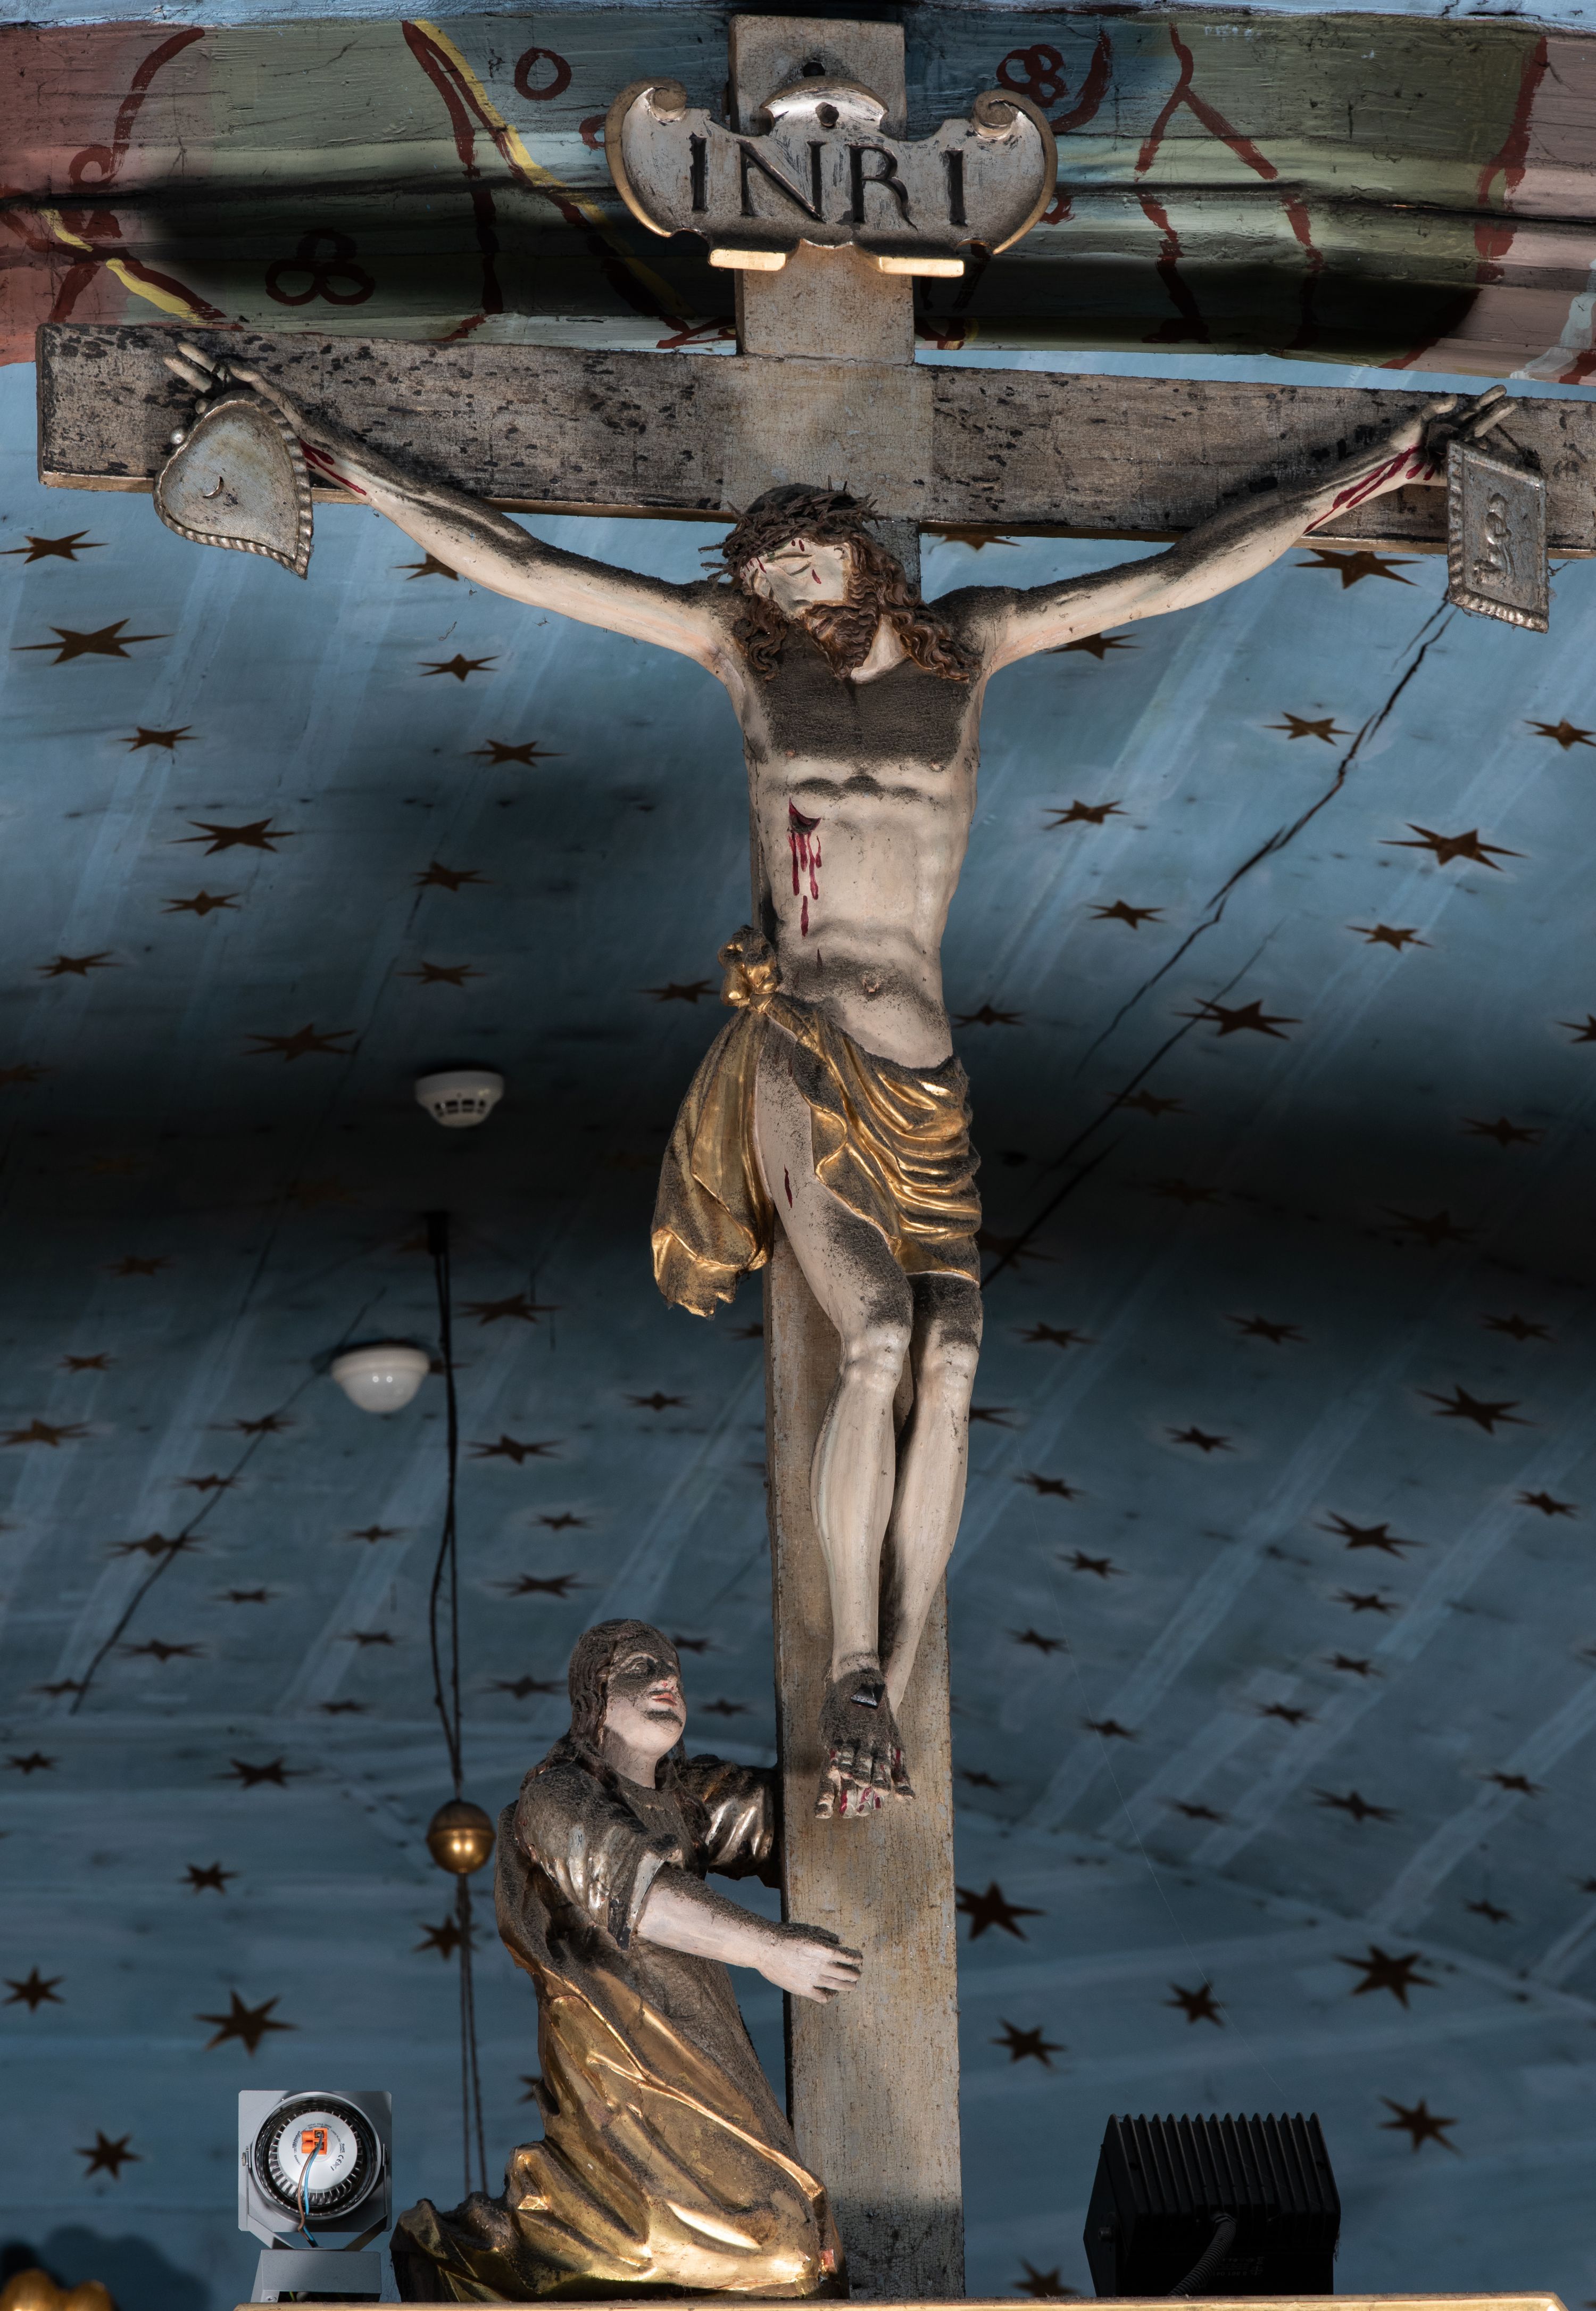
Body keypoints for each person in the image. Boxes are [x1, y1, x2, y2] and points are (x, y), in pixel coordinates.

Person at [162, 345, 1509, 1818]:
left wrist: (1364, 479)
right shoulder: (743, 657)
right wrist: (339, 459)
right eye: (769, 579)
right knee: (875, 1337)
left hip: (925, 1074)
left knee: (956, 1349)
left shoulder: (973, 641)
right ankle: (857, 1666)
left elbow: (1177, 575)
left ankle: (902, 1662)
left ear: (865, 555)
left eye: (806, 566)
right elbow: (527, 566)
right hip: (804, 1048)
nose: (792, 594)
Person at [392, 1620, 859, 2300]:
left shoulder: (685, 1795)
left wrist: (860, 1730)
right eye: (641, 1666)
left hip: (702, 2039)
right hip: (622, 2053)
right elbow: (636, 1893)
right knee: (773, 2247)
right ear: (595, 1697)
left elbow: (798, 1816)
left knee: (801, 2239)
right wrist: (770, 1948)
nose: (667, 1678)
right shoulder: (553, 1797)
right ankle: (507, 2246)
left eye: (673, 1668)